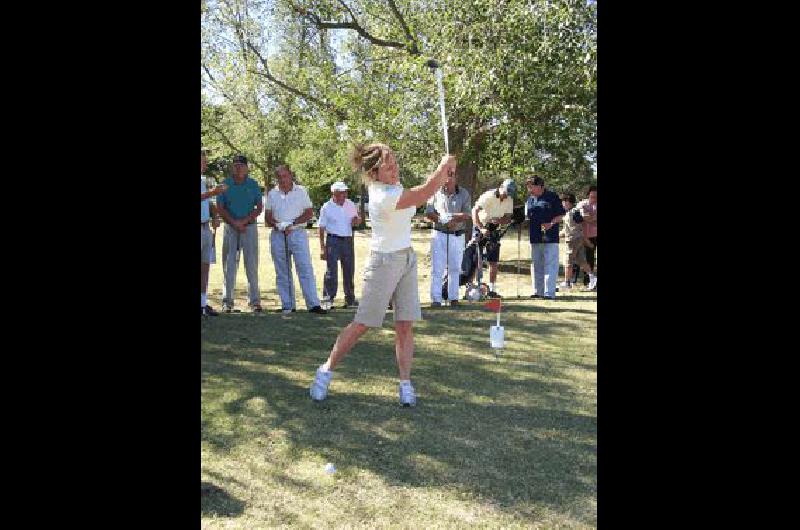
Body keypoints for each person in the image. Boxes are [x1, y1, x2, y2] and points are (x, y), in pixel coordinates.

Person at [309, 143, 457, 407]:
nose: (394, 167)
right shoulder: (381, 196)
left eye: (394, 161)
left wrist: (445, 173)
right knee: (362, 324)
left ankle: (405, 384)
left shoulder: (394, 187)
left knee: (405, 324)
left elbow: (423, 193)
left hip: (406, 258)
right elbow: (422, 193)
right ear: (374, 173)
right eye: (387, 165)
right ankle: (325, 371)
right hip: (384, 262)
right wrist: (441, 168)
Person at [264, 165, 327, 315]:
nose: (282, 179)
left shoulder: (301, 191)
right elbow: (267, 216)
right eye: (279, 177)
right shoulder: (272, 193)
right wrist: (278, 225)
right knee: (282, 270)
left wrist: (292, 224)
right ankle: (288, 305)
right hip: (278, 234)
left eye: (284, 176)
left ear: (290, 175)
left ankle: (313, 304)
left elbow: (309, 212)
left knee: (304, 268)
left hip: (297, 232)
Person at [217, 155, 264, 313]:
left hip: (249, 228)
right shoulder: (225, 184)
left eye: (241, 165)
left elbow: (259, 207)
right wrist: (234, 222)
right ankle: (227, 302)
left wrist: (244, 221)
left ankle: (255, 302)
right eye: (235, 165)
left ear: (246, 167)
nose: (238, 168)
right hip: (230, 228)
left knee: (251, 265)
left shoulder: (253, 184)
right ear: (232, 167)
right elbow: (220, 207)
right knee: (229, 266)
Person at [425, 169, 471, 306]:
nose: (448, 179)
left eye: (450, 176)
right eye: (445, 176)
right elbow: (429, 212)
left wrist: (451, 218)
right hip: (439, 234)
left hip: (457, 235)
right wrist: (442, 220)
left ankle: (453, 298)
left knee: (455, 268)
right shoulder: (435, 192)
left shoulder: (464, 193)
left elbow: (467, 214)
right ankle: (436, 299)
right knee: (437, 268)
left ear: (456, 177)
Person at [318, 181, 362, 309]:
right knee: (331, 271)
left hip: (348, 240)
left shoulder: (350, 204)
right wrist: (322, 247)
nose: (344, 195)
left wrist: (356, 221)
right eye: (341, 193)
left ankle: (350, 299)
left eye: (345, 192)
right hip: (333, 240)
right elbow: (321, 228)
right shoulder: (327, 207)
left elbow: (355, 221)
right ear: (334, 194)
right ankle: (328, 299)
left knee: (349, 269)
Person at [471, 179, 516, 298]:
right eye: (506, 191)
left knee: (493, 260)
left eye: (509, 193)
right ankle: (474, 288)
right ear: (501, 187)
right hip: (481, 226)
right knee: (477, 259)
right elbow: (474, 211)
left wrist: (499, 220)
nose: (507, 195)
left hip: (495, 229)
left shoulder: (509, 199)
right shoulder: (488, 196)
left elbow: (508, 218)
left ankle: (491, 289)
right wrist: (481, 228)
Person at [524, 175, 565, 300]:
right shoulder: (530, 200)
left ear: (540, 186)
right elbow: (527, 216)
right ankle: (538, 291)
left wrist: (551, 223)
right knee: (536, 264)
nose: (530, 190)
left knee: (550, 264)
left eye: (532, 187)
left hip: (550, 237)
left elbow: (561, 215)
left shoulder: (552, 197)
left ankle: (549, 293)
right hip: (535, 236)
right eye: (528, 187)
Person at [201, 149, 226, 316]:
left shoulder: (203, 181)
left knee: (205, 267)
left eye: (205, 162)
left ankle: (202, 304)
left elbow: (209, 202)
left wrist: (215, 215)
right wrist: (214, 192)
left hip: (205, 228)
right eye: (202, 162)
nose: (205, 165)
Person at [559, 193, 597, 290]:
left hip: (572, 240)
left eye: (563, 201)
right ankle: (593, 278)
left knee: (568, 261)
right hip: (578, 239)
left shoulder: (573, 212)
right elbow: (570, 227)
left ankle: (567, 283)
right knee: (581, 261)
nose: (562, 204)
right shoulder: (572, 212)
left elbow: (574, 228)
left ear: (568, 202)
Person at [575, 185, 597, 289]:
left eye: (596, 196)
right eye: (592, 196)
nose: (594, 198)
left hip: (595, 234)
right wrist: (589, 217)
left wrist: (587, 217)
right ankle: (588, 281)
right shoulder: (581, 203)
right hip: (585, 235)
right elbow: (581, 216)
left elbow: (588, 218)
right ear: (588, 195)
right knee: (587, 258)